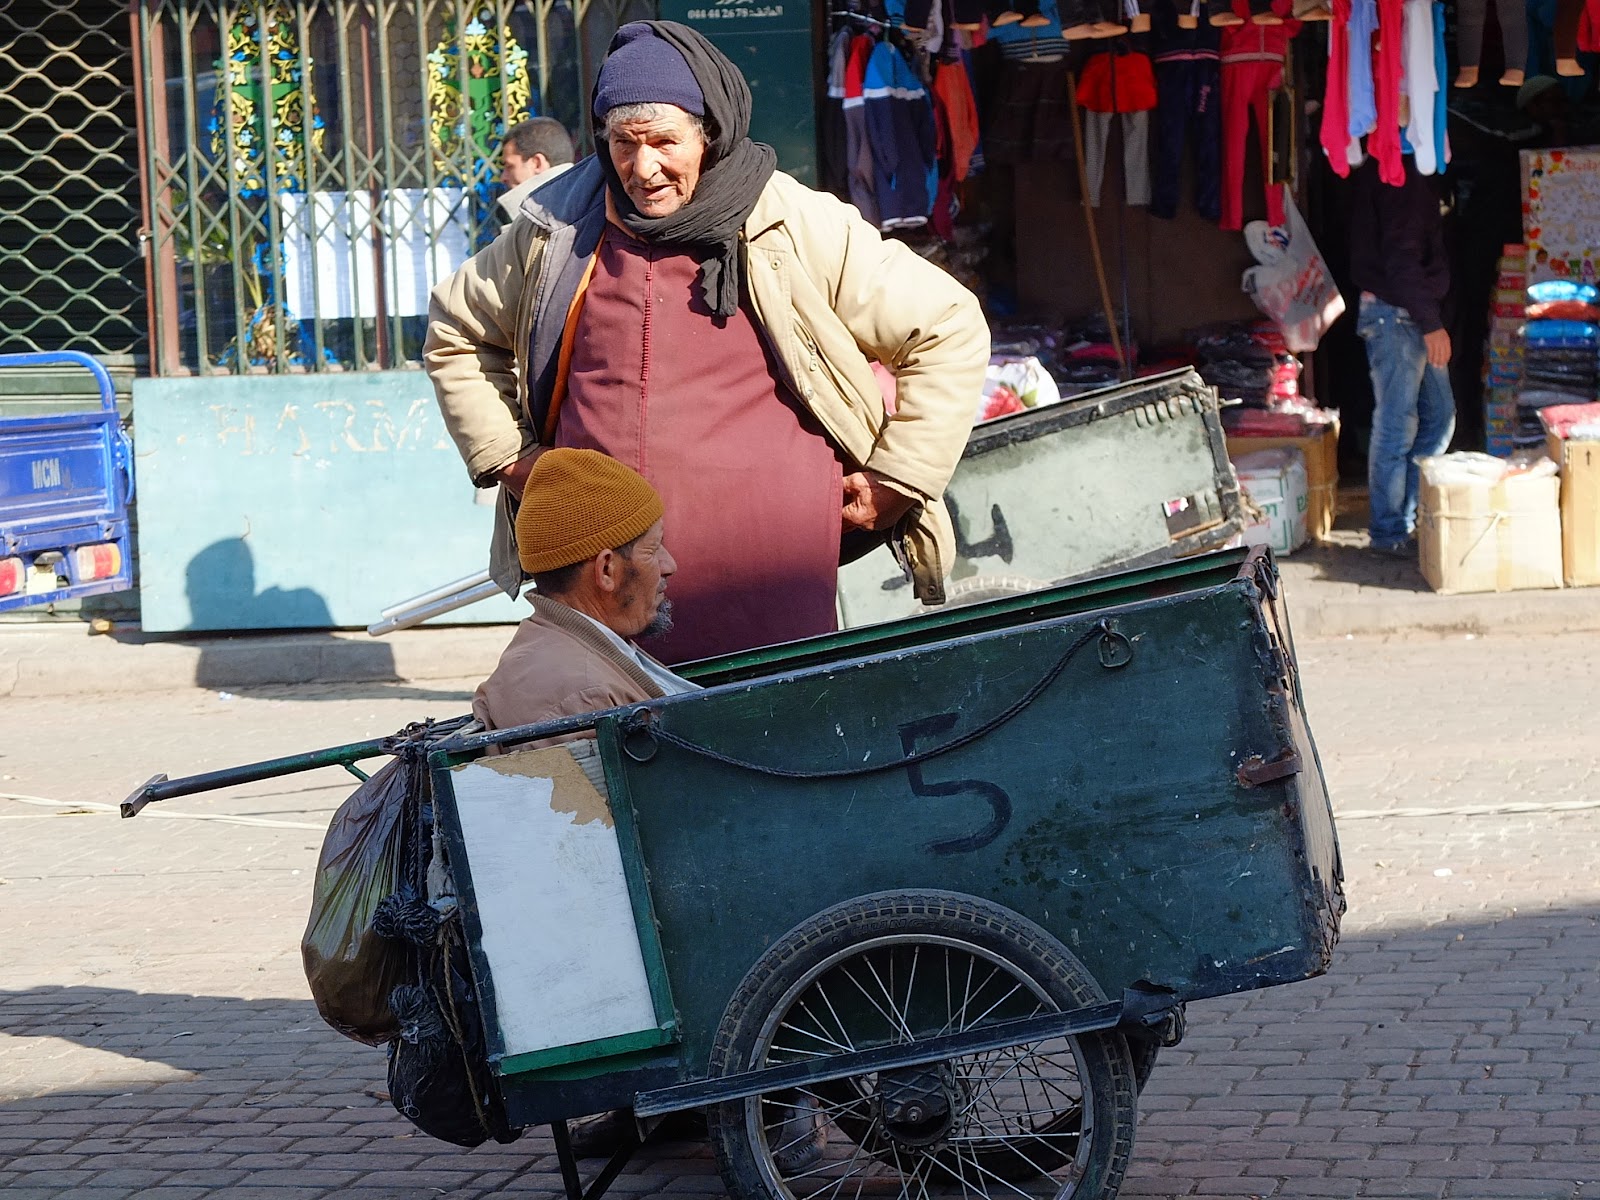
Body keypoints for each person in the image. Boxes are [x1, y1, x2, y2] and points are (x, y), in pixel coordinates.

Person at [427, 20, 987, 665]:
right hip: (605, 566)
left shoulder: (790, 221)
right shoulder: (556, 231)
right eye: (623, 144)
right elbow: (457, 329)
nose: (644, 168)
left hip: (767, 560)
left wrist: (899, 477)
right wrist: (510, 459)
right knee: (613, 733)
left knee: (772, 730)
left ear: (710, 132)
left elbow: (948, 326)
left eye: (666, 142)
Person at [472, 448, 696, 734]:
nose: (670, 565)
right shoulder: (584, 699)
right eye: (653, 550)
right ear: (606, 570)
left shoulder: (577, 650)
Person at [1348, 153, 1455, 555]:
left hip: (1408, 312)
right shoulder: (1399, 176)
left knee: (1439, 416)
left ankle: (1406, 518)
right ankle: (1389, 531)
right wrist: (1431, 322)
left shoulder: (1401, 174)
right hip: (1397, 315)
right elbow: (1401, 258)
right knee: (1398, 421)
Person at [497, 117, 577, 223]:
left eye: (509, 166)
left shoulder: (546, 223)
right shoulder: (587, 204)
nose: (503, 178)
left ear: (537, 163)